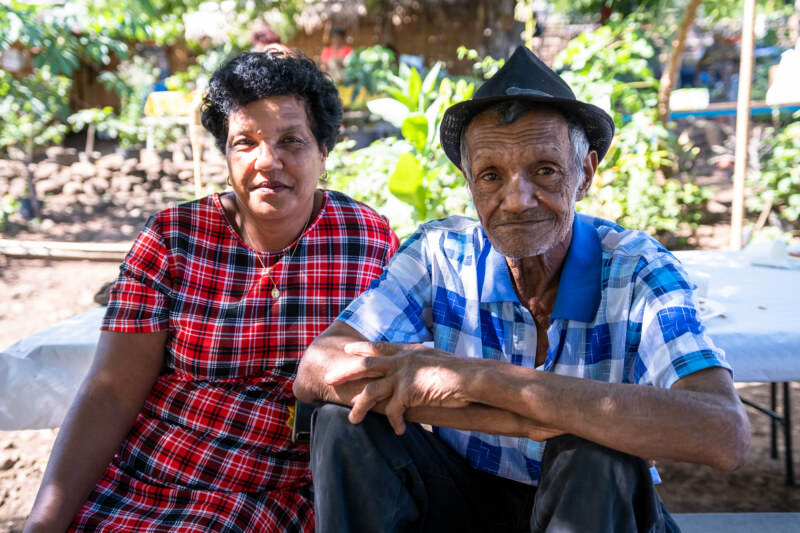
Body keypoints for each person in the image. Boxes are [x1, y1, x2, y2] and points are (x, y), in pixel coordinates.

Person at [293, 46, 750, 532]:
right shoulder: (439, 253)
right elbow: (318, 369)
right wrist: (520, 419)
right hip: (469, 499)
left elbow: (723, 430)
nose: (517, 199)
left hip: (595, 507)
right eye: (492, 175)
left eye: (545, 170)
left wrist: (481, 380)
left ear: (586, 174)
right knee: (344, 426)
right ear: (469, 183)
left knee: (595, 449)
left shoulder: (638, 269)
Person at [24, 50, 399, 533]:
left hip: (283, 486)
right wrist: (44, 522)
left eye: (291, 140)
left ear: (323, 151)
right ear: (224, 152)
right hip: (155, 472)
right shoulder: (172, 238)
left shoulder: (365, 240)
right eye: (245, 142)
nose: (268, 161)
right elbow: (111, 393)